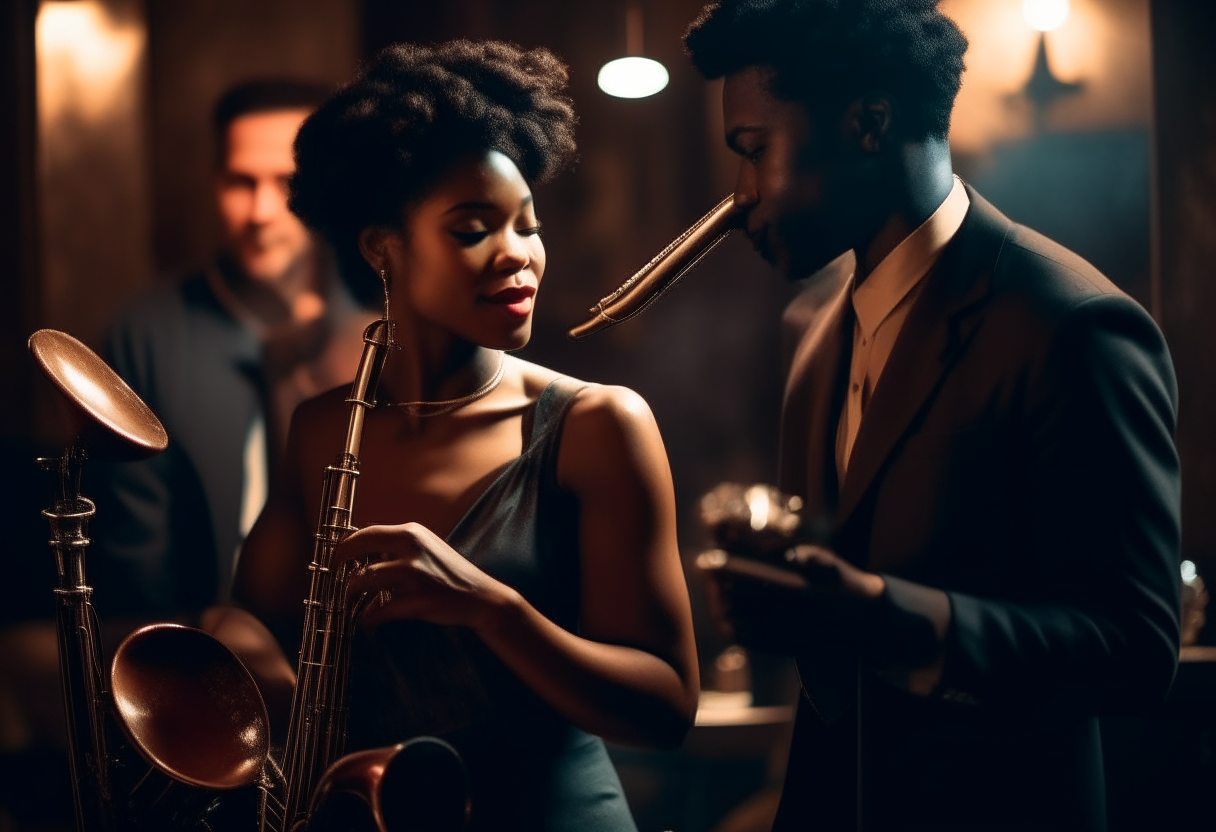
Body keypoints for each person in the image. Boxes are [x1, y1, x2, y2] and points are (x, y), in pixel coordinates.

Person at [684, 2, 1181, 830]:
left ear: (870, 122)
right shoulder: (809, 330)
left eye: (754, 151)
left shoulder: (1072, 324)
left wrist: (886, 617)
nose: (739, 198)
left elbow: (1135, 651)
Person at [233, 41, 700, 830]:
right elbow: (255, 622)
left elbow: (667, 707)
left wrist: (494, 609)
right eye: (473, 228)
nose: (518, 254)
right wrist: (234, 648)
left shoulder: (598, 427)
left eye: (527, 224)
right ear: (383, 246)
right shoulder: (321, 431)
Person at [92, 80, 377, 616]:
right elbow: (134, 560)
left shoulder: (381, 325)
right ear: (213, 183)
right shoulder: (146, 333)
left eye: (286, 182)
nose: (261, 211)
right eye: (240, 182)